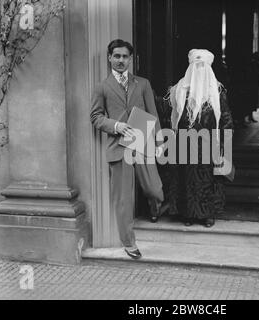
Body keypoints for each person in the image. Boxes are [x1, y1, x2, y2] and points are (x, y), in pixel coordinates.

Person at [90, 39, 164, 260]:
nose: (121, 60)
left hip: (142, 141)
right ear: (109, 58)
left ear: (131, 59)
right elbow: (95, 117)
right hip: (118, 146)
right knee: (123, 199)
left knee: (154, 188)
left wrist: (160, 142)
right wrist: (115, 125)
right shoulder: (102, 86)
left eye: (125, 57)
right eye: (117, 56)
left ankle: (155, 203)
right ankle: (129, 243)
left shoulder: (142, 84)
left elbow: (153, 114)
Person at [166, 49, 234, 228]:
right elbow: (171, 117)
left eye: (203, 66)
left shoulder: (217, 92)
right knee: (186, 180)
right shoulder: (179, 90)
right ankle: (187, 213)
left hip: (209, 144)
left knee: (207, 180)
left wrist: (224, 147)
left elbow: (226, 118)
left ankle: (207, 215)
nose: (199, 70)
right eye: (196, 66)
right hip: (185, 144)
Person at [244, 51, 259, 123]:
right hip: (252, 85)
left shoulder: (254, 64)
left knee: (252, 101)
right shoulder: (253, 64)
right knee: (251, 101)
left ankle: (250, 116)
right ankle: (249, 116)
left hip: (254, 84)